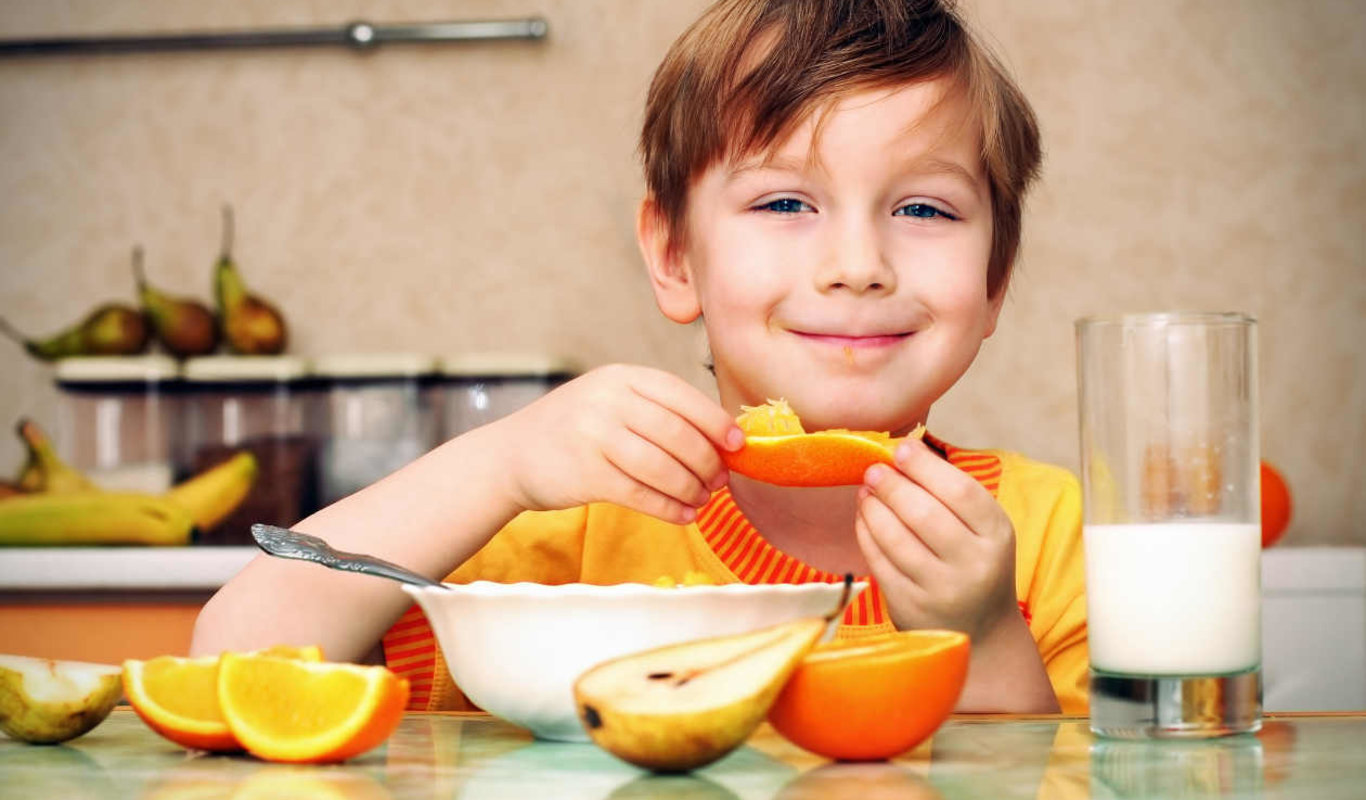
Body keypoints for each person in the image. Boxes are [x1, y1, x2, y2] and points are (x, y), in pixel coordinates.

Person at [192, 0, 1087, 715]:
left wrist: (981, 634)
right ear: (672, 258)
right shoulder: (575, 529)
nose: (858, 267)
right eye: (784, 203)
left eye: (924, 210)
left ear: (996, 278)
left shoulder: (1061, 537)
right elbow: (234, 661)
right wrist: (498, 464)